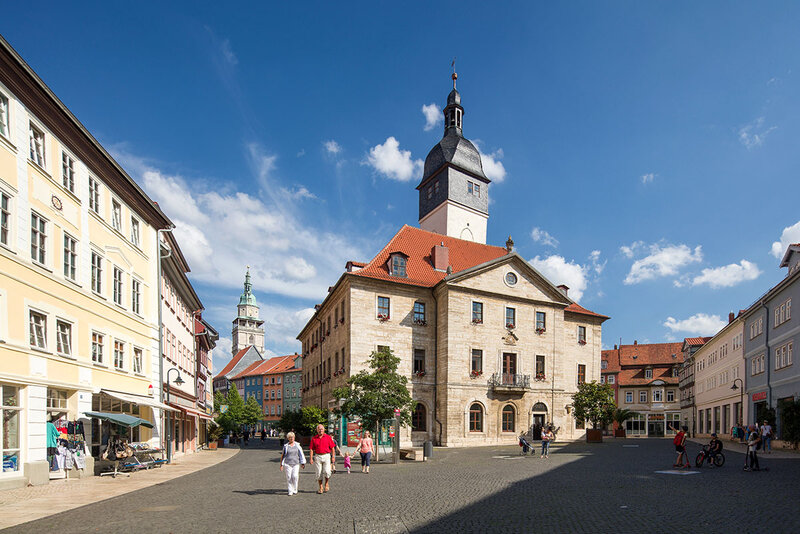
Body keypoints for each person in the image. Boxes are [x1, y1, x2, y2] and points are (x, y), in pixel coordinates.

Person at [309, 424, 335, 493]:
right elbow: (311, 449)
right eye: (319, 429)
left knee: (327, 471)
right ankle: (320, 487)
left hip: (326, 455)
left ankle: (326, 483)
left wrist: (333, 457)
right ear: (317, 430)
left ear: (324, 430)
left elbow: (332, 448)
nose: (320, 430)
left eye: (322, 429)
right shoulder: (314, 438)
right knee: (318, 473)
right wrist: (311, 458)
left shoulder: (328, 437)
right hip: (318, 456)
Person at [280, 431, 306, 496]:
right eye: (290, 437)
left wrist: (303, 463)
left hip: (296, 463)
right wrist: (281, 464)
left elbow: (301, 454)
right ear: (288, 438)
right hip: (287, 463)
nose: (291, 438)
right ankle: (290, 490)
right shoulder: (286, 446)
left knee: (295, 476)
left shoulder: (297, 445)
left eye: (292, 437)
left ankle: (295, 488)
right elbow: (283, 455)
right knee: (289, 477)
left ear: (294, 438)